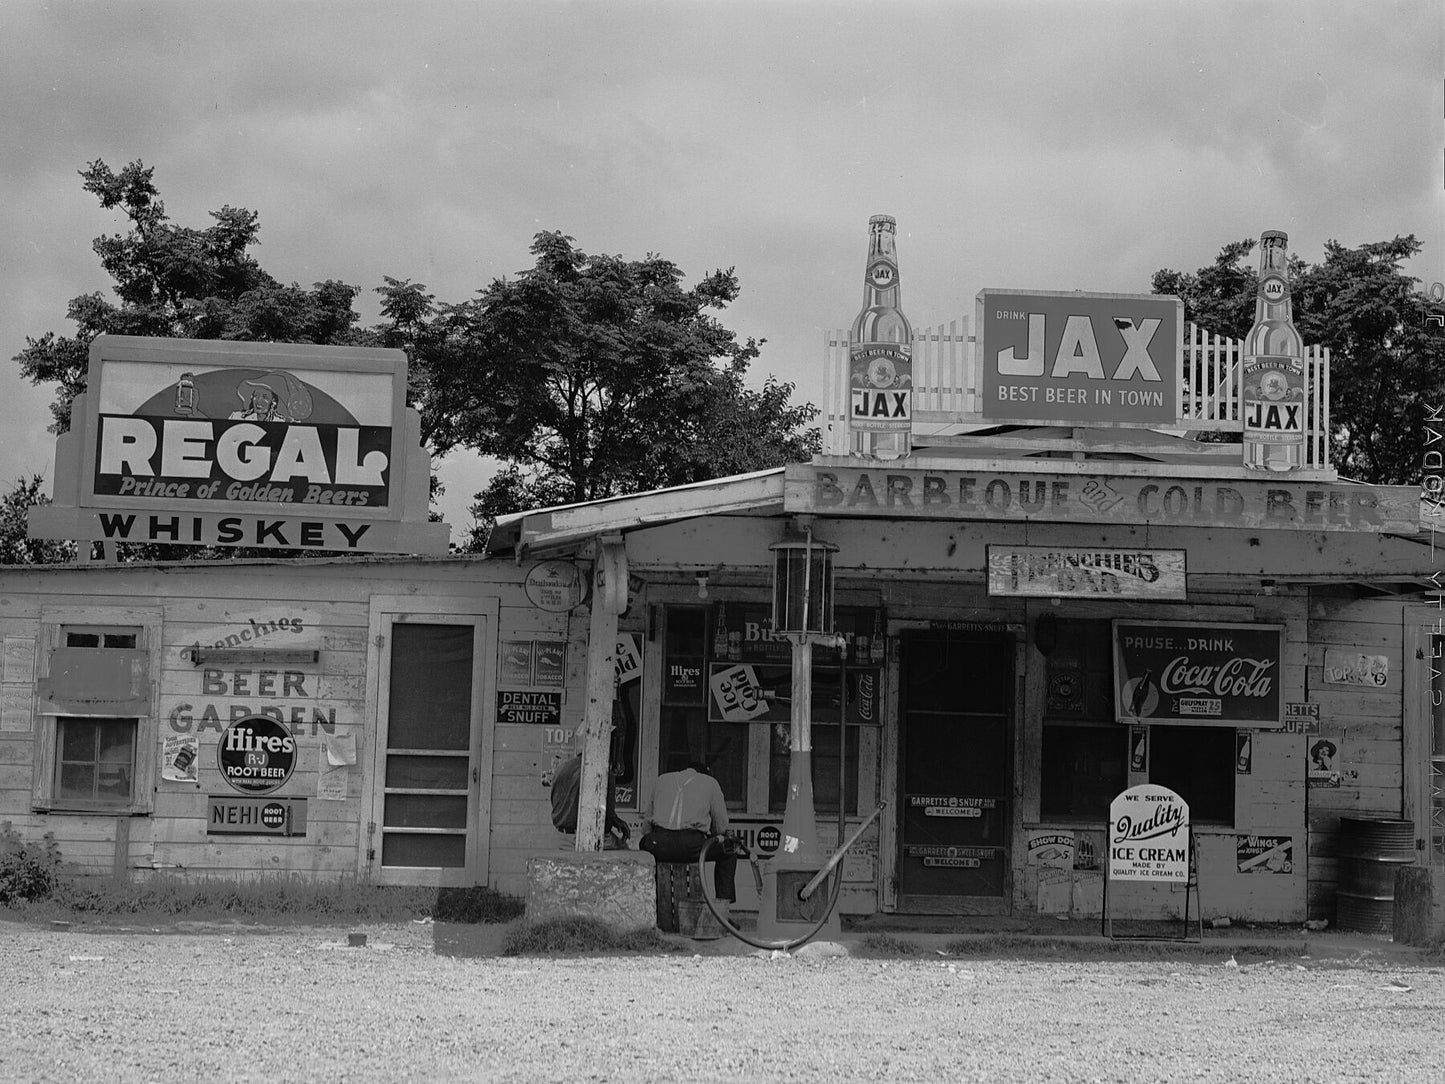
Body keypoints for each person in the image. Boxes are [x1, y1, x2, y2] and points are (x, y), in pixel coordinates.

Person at [639, 760, 739, 903]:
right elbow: (720, 828)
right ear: (705, 774)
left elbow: (646, 828)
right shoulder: (710, 783)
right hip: (691, 847)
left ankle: (650, 901)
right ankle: (723, 907)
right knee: (730, 850)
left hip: (658, 845)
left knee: (644, 843)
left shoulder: (661, 780)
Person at [550, 752, 630, 849]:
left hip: (559, 836)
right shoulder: (603, 772)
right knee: (624, 849)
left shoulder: (562, 767)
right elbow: (606, 824)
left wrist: (615, 819)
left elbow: (557, 802)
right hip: (584, 837)